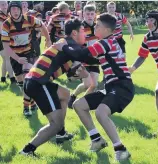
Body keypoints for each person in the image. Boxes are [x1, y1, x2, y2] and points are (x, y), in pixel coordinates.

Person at [56, 13, 134, 162]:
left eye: (97, 25)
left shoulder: (105, 42)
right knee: (79, 105)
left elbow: (81, 54)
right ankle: (97, 139)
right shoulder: (107, 42)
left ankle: (120, 149)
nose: (94, 27)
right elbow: (89, 58)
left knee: (100, 113)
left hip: (122, 86)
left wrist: (65, 46)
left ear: (106, 29)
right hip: (112, 86)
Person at [20, 18, 99, 156]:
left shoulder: (68, 46)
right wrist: (108, 59)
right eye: (82, 31)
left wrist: (78, 73)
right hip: (38, 83)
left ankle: (61, 134)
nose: (85, 34)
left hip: (37, 81)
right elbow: (85, 56)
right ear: (74, 33)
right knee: (54, 124)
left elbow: (72, 73)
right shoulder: (67, 45)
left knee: (65, 94)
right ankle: (27, 150)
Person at [1, 1, 51, 116]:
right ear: (9, 11)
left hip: (29, 53)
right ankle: (32, 103)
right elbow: (6, 47)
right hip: (15, 56)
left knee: (27, 79)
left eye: (17, 9)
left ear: (20, 10)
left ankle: (25, 107)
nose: (15, 11)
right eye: (12, 9)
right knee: (22, 83)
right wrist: (17, 59)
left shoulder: (29, 19)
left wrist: (48, 39)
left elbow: (42, 25)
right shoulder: (6, 24)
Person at [68, 4, 100, 109]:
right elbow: (74, 42)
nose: (90, 16)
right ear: (83, 14)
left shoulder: (98, 27)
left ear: (95, 14)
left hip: (95, 59)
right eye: (87, 14)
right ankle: (73, 96)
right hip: (83, 59)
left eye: (92, 14)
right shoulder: (80, 27)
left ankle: (80, 103)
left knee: (94, 85)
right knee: (87, 84)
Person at [0, 1, 15, 83]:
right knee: (8, 58)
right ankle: (12, 78)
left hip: (7, 39)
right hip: (2, 39)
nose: (4, 6)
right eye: (2, 4)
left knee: (5, 59)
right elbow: (1, 30)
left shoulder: (8, 15)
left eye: (5, 4)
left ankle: (3, 78)